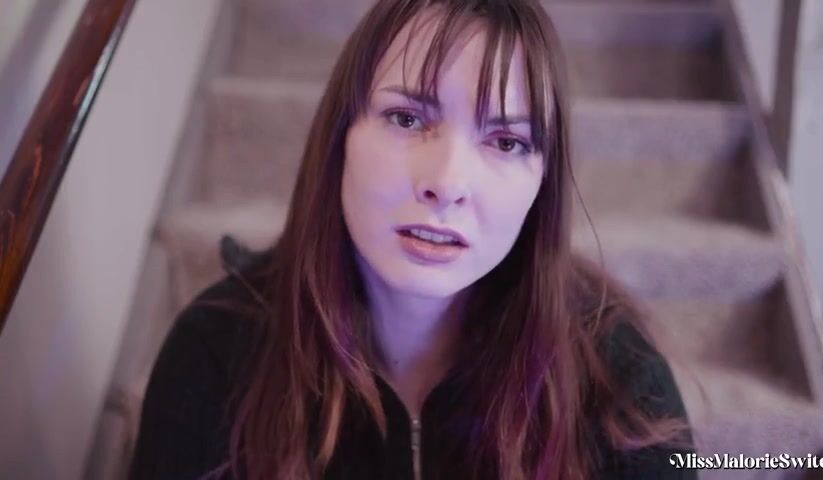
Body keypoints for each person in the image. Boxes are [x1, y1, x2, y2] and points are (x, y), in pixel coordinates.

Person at [129, 0, 697, 478]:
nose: (446, 184)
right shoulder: (214, 353)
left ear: (542, 186)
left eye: (505, 142)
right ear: (340, 137)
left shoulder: (619, 377)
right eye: (406, 118)